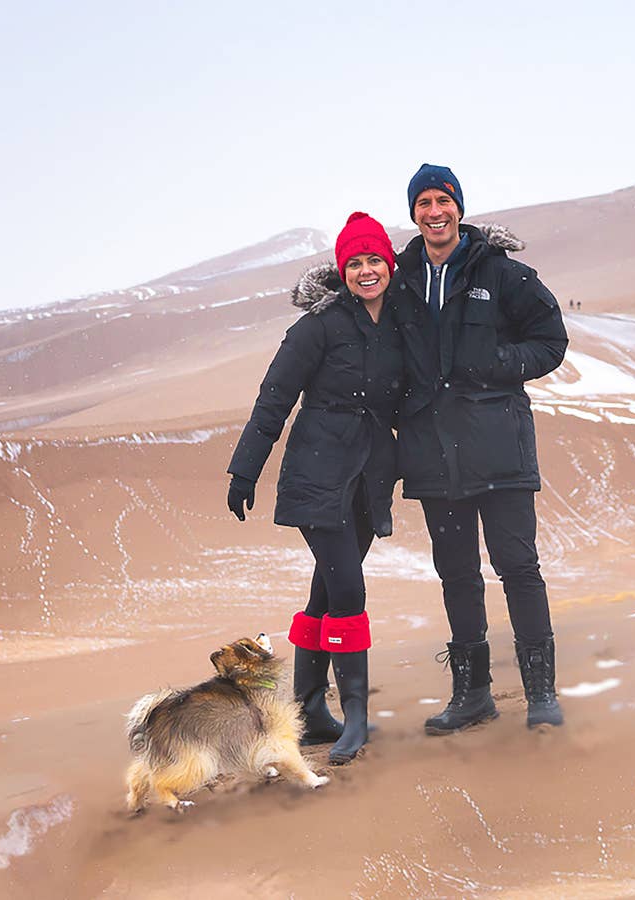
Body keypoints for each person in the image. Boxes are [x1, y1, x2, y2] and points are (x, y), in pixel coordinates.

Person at [387, 164, 569, 731]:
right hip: (433, 455)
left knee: (519, 567)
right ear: (413, 213)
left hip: (499, 449)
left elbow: (551, 340)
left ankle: (541, 693)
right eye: (423, 203)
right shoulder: (398, 279)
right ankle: (473, 694)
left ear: (459, 208)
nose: (434, 212)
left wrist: (498, 365)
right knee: (457, 574)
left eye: (443, 200)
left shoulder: (503, 273)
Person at [226, 211, 405, 765]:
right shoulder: (317, 328)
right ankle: (353, 716)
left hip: (369, 476)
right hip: (317, 474)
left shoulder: (402, 322)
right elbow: (274, 397)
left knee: (327, 592)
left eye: (375, 259)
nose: (366, 270)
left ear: (390, 265)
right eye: (355, 263)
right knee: (348, 589)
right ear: (341, 271)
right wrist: (244, 470)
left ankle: (306, 710)